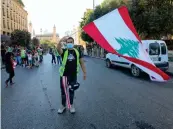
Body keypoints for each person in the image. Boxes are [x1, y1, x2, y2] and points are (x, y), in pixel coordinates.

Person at [57, 37, 86, 114]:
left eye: (71, 42)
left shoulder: (77, 51)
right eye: (68, 42)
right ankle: (63, 105)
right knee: (63, 91)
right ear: (66, 43)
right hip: (64, 75)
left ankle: (71, 105)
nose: (69, 43)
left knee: (72, 90)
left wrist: (84, 73)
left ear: (73, 43)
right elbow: (58, 49)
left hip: (73, 75)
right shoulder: (64, 51)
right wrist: (60, 40)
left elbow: (82, 62)